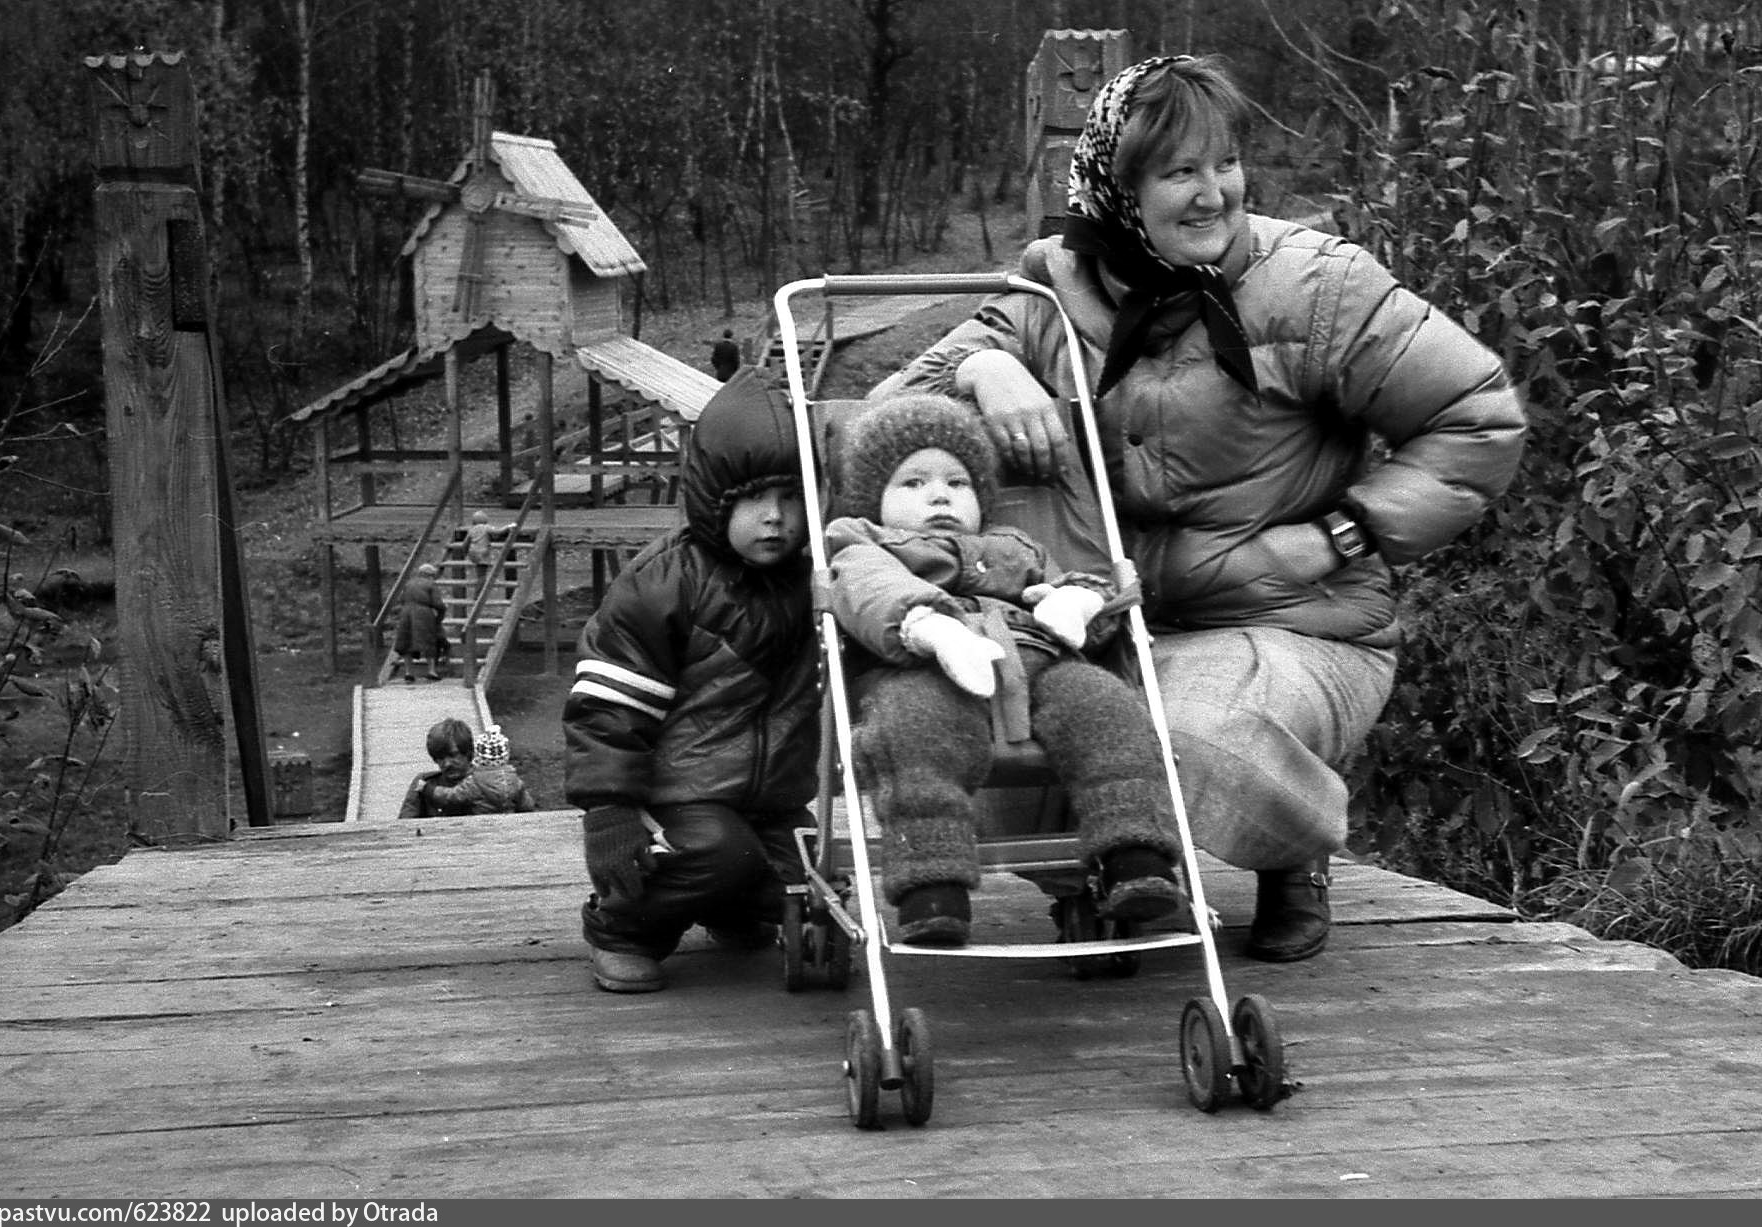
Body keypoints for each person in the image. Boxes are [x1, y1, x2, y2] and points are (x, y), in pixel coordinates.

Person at [872, 54, 1527, 963]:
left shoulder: (1314, 287)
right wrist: (983, 366)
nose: (1214, 193)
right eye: (1180, 172)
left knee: (1187, 740)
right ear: (1115, 188)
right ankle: (1109, 873)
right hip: (1102, 627)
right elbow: (881, 421)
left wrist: (1341, 532)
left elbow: (1478, 417)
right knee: (992, 735)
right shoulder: (1045, 292)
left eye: (1225, 163)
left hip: (1288, 622)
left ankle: (1292, 853)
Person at [826, 393, 1183, 947]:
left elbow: (1072, 589)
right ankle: (931, 885)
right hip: (920, 667)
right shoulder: (861, 540)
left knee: (1105, 706)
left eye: (957, 482)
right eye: (913, 483)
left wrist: (1076, 603)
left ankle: (1135, 854)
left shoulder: (1015, 547)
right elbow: (870, 591)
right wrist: (931, 626)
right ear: (876, 498)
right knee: (913, 732)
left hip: (1038, 659)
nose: (939, 494)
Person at [561, 366, 820, 993]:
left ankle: (733, 907)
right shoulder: (669, 582)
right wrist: (610, 810)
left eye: (791, 498)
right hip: (681, 793)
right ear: (714, 497)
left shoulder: (817, 580)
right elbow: (607, 704)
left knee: (816, 876)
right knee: (718, 852)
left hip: (773, 800)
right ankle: (624, 928)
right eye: (754, 499)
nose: (775, 519)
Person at [397, 717, 479, 819]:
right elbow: (405, 824)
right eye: (440, 758)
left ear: (468, 753)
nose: (447, 764)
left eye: (453, 755)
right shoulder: (424, 783)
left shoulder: (484, 782)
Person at [451, 724, 538, 814]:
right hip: (508, 822)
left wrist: (436, 791)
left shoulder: (472, 782)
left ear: (477, 757)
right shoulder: (514, 781)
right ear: (506, 756)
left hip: (482, 822)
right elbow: (527, 805)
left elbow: (453, 796)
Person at [391, 562, 449, 682]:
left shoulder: (409, 583)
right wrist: (440, 615)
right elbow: (437, 604)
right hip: (423, 614)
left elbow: (402, 599)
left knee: (406, 641)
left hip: (406, 613)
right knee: (429, 640)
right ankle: (431, 671)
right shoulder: (431, 585)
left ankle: (408, 672)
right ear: (429, 575)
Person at [464, 510, 516, 602]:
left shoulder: (471, 529)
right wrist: (508, 527)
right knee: (482, 577)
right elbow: (498, 532)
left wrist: (465, 553)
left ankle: (478, 593)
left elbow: (465, 543)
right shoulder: (486, 527)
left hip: (473, 554)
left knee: (480, 574)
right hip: (483, 554)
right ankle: (477, 595)